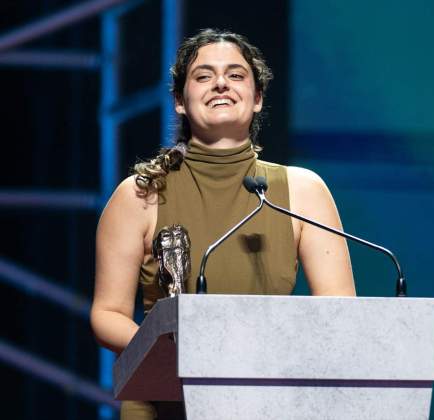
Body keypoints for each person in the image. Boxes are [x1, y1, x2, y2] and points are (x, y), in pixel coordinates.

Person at [90, 28, 356, 419]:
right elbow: (107, 314)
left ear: (258, 97)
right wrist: (180, 359)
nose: (220, 84)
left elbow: (339, 310)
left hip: (269, 394)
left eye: (235, 75)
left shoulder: (303, 191)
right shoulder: (140, 195)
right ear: (180, 101)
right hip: (165, 401)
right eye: (203, 76)